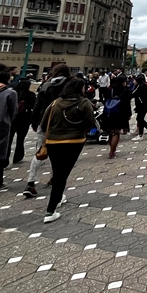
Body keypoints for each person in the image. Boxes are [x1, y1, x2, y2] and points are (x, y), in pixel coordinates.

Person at [39, 78, 95, 223]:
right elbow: (90, 122)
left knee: (58, 171)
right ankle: (50, 210)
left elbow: (44, 123)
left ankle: (58, 198)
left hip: (53, 141)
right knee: (62, 174)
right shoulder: (84, 103)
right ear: (80, 89)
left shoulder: (55, 103)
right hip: (74, 141)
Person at [23, 64, 71, 198]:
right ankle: (54, 178)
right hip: (63, 123)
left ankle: (31, 182)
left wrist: (34, 121)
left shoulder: (46, 84)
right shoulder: (69, 84)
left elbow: (38, 104)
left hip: (44, 122)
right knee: (61, 153)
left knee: (40, 150)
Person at [105, 75, 133, 157]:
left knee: (111, 132)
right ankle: (112, 151)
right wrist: (129, 114)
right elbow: (127, 104)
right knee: (116, 132)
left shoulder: (111, 90)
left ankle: (112, 149)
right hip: (120, 113)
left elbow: (105, 99)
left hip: (109, 112)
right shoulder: (125, 91)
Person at [10, 79, 36, 164]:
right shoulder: (31, 95)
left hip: (12, 118)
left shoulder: (13, 93)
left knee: (9, 139)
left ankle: (5, 157)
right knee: (20, 139)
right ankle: (18, 157)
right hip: (25, 118)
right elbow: (33, 106)